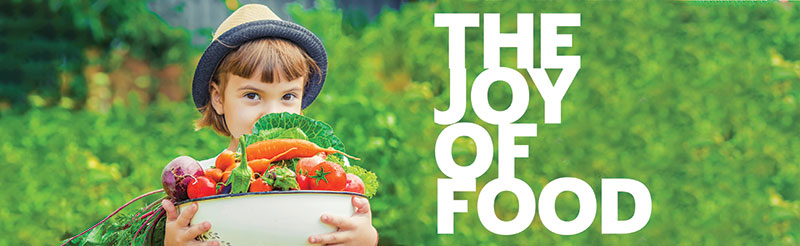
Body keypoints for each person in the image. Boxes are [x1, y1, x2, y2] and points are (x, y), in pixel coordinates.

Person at [159, 4, 378, 246]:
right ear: (218, 98)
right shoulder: (197, 181)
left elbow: (345, 231)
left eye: (287, 97)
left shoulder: (326, 172)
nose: (272, 113)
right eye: (252, 95)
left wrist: (364, 238)